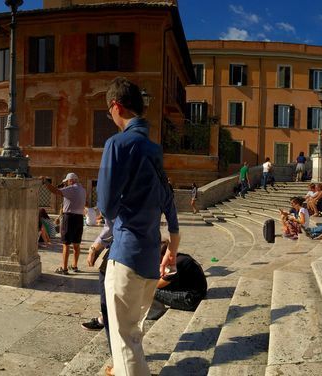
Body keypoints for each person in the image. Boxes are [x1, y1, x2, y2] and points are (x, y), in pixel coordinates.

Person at [96, 77, 181, 376]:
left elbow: (105, 204)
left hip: (126, 255)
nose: (111, 118)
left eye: (109, 113)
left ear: (116, 106)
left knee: (123, 339)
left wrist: (115, 217)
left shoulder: (116, 144)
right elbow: (167, 198)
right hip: (149, 259)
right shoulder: (153, 149)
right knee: (133, 334)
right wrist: (173, 243)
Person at [42, 172, 87, 275]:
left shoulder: (71, 188)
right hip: (80, 218)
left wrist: (46, 182)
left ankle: (64, 268)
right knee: (76, 244)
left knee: (66, 244)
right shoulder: (83, 190)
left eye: (66, 182)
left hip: (69, 218)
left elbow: (55, 191)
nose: (66, 184)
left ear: (70, 180)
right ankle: (75, 266)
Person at [151, 248, 207, 314]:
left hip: (190, 300)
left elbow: (157, 284)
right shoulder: (181, 257)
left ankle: (155, 313)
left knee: (148, 289)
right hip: (198, 293)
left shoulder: (176, 264)